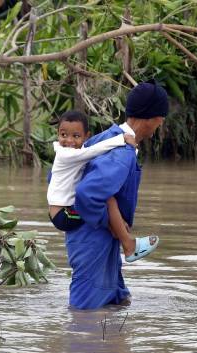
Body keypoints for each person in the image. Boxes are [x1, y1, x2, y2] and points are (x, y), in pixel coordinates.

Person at [66, 81, 168, 309]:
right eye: (161, 119)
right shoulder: (122, 153)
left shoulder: (106, 138)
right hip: (93, 243)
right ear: (151, 118)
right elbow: (87, 194)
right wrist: (112, 224)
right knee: (84, 319)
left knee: (119, 302)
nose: (160, 125)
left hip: (98, 243)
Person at [47, 110, 159, 262]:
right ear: (58, 134)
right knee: (108, 200)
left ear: (87, 137)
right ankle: (128, 244)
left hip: (63, 211)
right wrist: (122, 139)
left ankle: (117, 231)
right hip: (63, 215)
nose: (69, 141)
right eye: (63, 135)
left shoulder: (73, 152)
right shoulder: (65, 154)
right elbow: (92, 152)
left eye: (76, 136)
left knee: (106, 205)